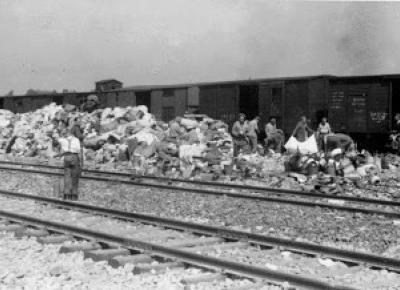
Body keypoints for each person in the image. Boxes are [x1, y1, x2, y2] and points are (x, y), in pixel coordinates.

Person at [58, 129, 81, 201]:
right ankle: (74, 195)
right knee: (74, 176)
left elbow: (58, 141)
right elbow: (78, 149)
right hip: (74, 157)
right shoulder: (76, 140)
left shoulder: (62, 140)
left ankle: (66, 194)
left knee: (67, 175)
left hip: (66, 157)